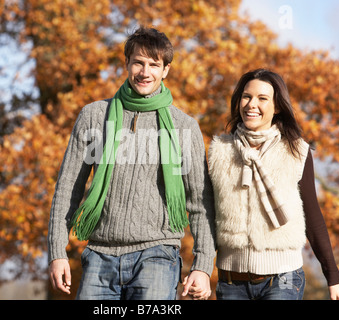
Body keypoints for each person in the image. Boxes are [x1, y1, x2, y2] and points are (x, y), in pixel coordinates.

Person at [48, 26, 216, 300]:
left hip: (158, 255)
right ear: (126, 63)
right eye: (138, 62)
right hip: (100, 255)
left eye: (154, 64)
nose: (144, 72)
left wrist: (203, 265)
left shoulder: (185, 127)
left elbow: (200, 203)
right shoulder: (93, 116)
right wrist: (57, 253)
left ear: (166, 71)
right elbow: (68, 188)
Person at [208, 68, 339, 300]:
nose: (252, 104)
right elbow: (206, 214)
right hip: (231, 281)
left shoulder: (297, 151)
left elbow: (313, 216)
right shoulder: (219, 150)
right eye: (246, 96)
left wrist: (333, 278)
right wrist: (201, 268)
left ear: (278, 106)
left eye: (262, 99)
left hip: (283, 280)